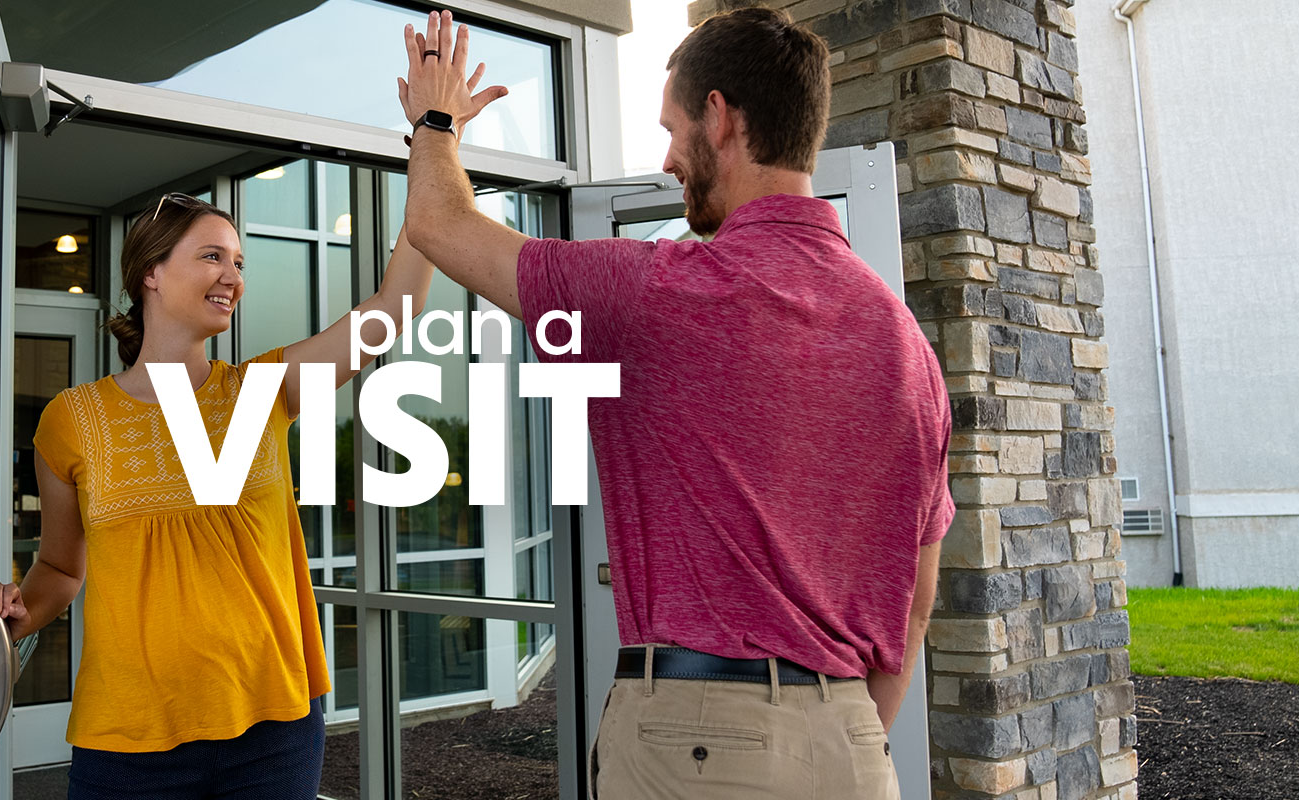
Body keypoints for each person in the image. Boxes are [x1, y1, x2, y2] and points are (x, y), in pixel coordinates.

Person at [395, 7, 951, 799]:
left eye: (672, 127)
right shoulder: (908, 349)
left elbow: (439, 224)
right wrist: (832, 736)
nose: (666, 157)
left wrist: (436, 119)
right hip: (854, 749)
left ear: (718, 118)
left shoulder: (660, 289)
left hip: (695, 745)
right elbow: (917, 603)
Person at [0, 176, 490, 797]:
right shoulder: (72, 420)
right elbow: (59, 566)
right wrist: (10, 619)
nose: (233, 277)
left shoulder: (260, 392)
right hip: (127, 741)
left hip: (272, 735)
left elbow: (390, 310)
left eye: (239, 262)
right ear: (150, 274)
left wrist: (436, 155)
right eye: (212, 256)